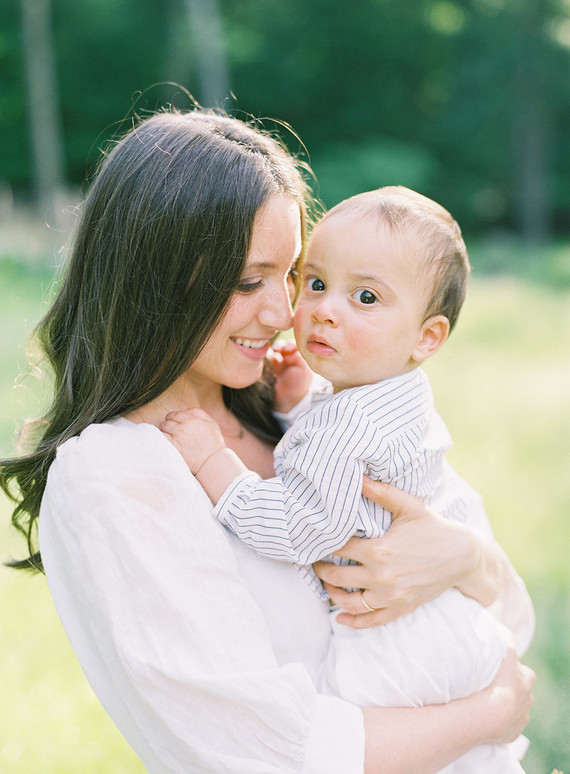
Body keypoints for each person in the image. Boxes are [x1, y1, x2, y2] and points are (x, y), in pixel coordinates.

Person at [0, 109, 534, 774]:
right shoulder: (111, 478)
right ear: (154, 278)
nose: (287, 314)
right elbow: (264, 757)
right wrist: (492, 712)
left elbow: (512, 618)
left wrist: (464, 559)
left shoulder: (309, 410)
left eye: (292, 275)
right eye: (250, 281)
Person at [162, 186, 533, 772]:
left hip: (395, 640)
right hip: (449, 623)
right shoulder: (395, 394)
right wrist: (296, 405)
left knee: (357, 734)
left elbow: (297, 526)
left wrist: (214, 463)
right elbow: (345, 466)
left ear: (426, 337)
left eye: (365, 296)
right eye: (314, 283)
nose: (324, 309)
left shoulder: (345, 428)